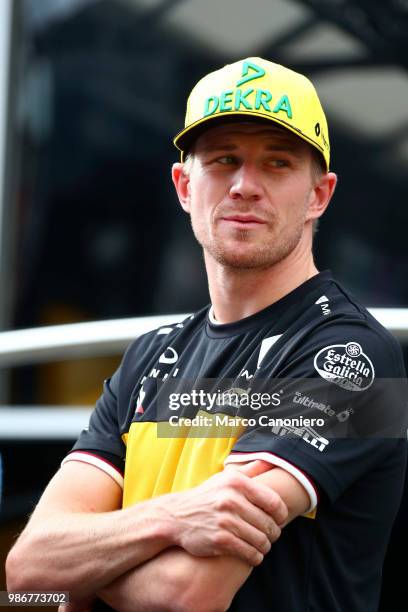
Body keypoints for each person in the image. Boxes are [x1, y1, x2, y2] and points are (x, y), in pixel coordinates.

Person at [6, 57, 407, 612]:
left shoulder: (352, 359)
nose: (245, 186)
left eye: (277, 163)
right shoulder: (149, 357)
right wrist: (174, 517)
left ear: (320, 195)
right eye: (224, 159)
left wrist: (88, 565)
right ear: (184, 185)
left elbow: (187, 594)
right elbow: (28, 573)